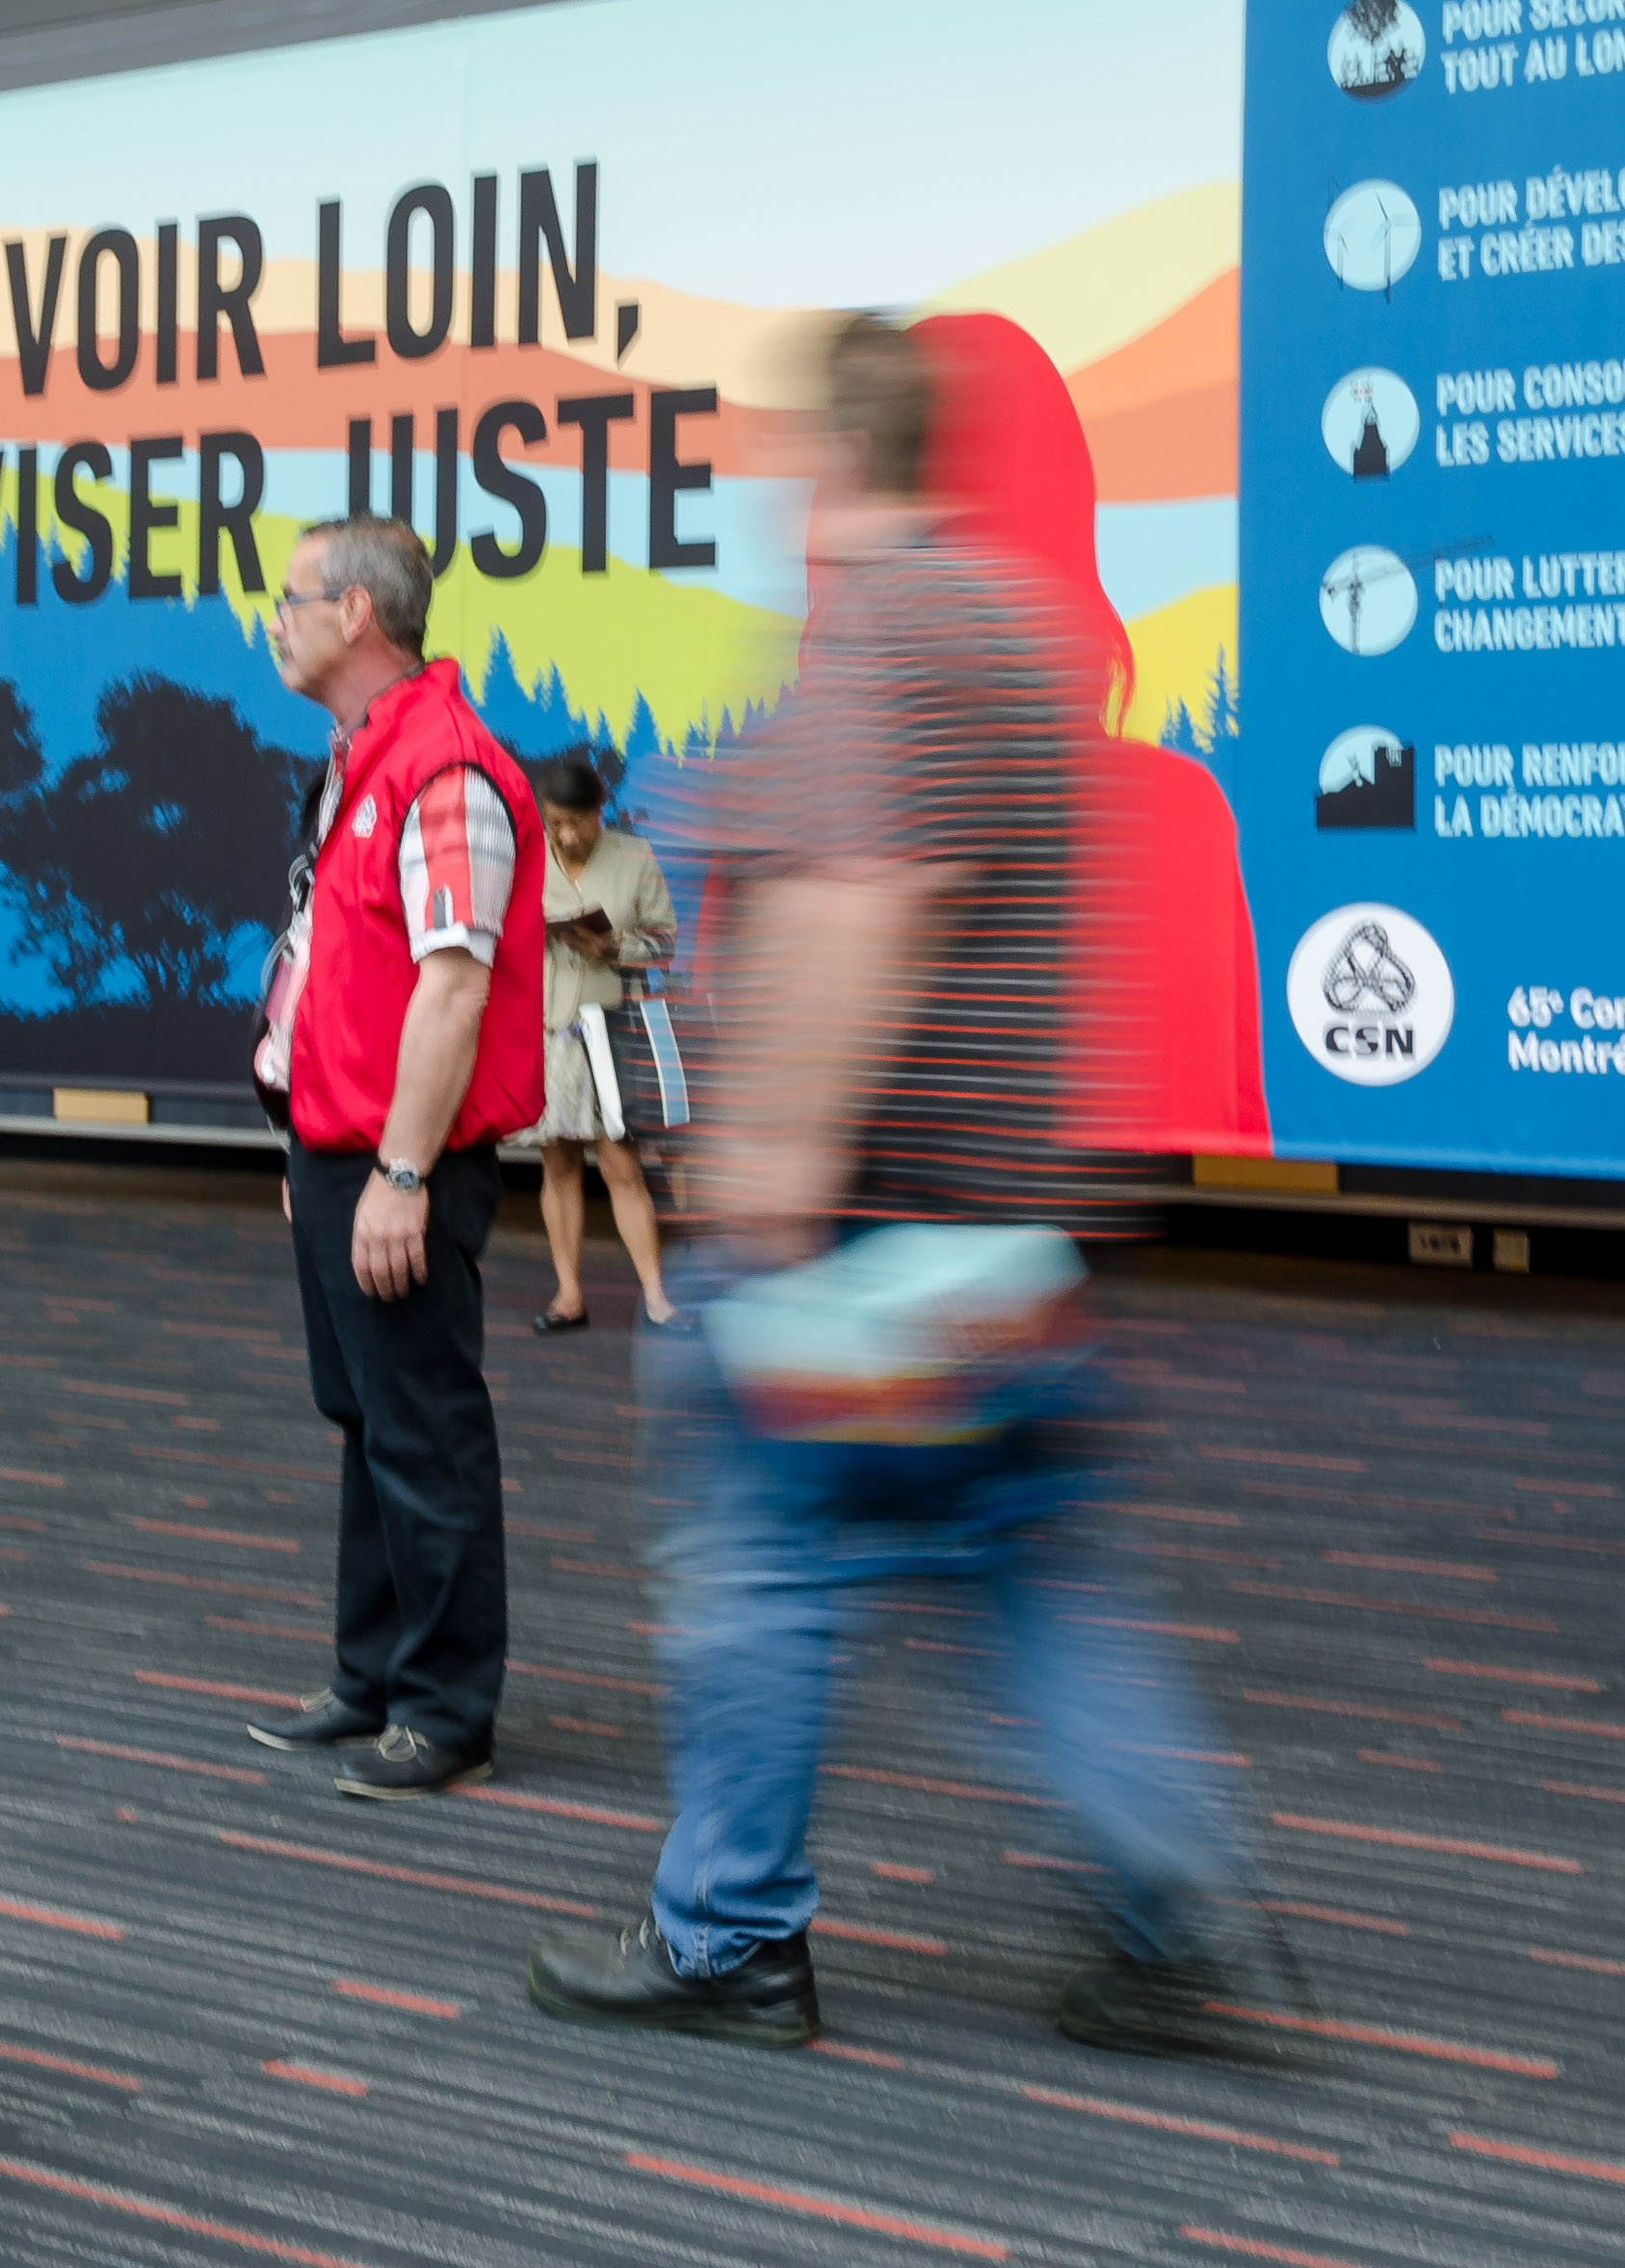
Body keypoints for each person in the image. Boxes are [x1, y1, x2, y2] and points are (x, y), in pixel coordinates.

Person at [523, 313, 1247, 2052]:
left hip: (865, 1235)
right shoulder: (1002, 626)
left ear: (820, 456)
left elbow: (872, 897)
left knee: (755, 1562)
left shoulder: (887, 639)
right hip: (999, 1228)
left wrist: (768, 1179)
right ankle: (1167, 1895)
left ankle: (727, 1938)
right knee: (1027, 1579)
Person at [242, 515, 547, 1800]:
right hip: (339, 1147)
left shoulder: (445, 770)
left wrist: (401, 1173)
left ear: (357, 614)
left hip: (396, 1160)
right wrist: (311, 1129)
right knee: (366, 1420)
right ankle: (370, 1676)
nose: (277, 616)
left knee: (423, 1428)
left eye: (292, 597)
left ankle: (443, 1706)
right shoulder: (362, 755)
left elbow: (454, 989)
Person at [524, 752, 680, 1337]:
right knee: (558, 1160)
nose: (565, 834)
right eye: (555, 821)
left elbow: (665, 942)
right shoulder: (528, 854)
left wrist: (613, 946)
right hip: (548, 1028)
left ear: (598, 813)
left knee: (620, 1164)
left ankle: (657, 1296)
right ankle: (568, 1295)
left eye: (577, 822)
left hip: (611, 1029)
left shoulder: (634, 857)